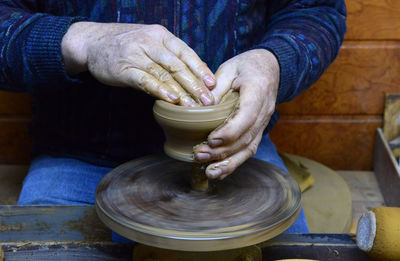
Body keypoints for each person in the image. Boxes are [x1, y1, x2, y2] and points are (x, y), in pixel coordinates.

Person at [0, 1, 346, 233]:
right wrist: (84, 41)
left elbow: (317, 10)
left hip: (234, 150)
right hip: (78, 154)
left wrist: (274, 63)